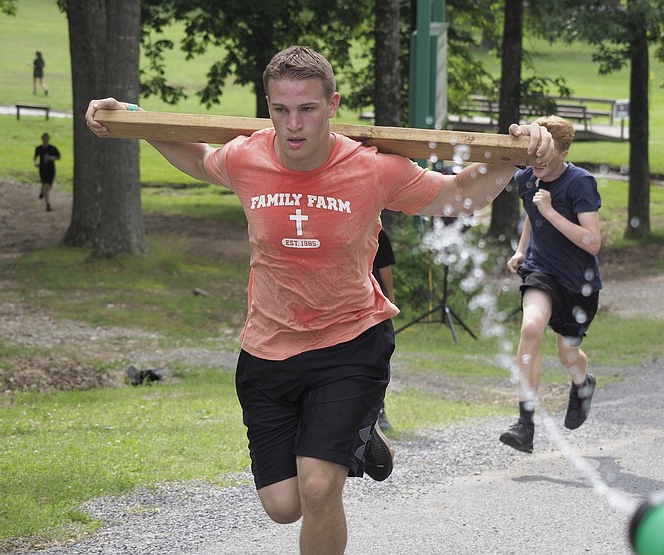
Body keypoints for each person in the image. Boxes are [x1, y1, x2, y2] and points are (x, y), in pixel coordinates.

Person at [84, 46, 553, 555]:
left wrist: (512, 154)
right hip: (268, 349)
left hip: (350, 343)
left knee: (318, 487)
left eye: (307, 108)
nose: (293, 124)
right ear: (268, 107)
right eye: (280, 109)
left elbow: (455, 194)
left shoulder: (373, 170)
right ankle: (356, 437)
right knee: (284, 506)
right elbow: (197, 158)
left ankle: (346, 430)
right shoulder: (247, 158)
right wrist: (134, 118)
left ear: (332, 105)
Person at [500, 115, 601, 454]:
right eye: (535, 151)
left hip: (578, 283)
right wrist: (521, 249)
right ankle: (524, 424)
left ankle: (582, 383)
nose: (538, 158)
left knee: (568, 353)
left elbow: (593, 241)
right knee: (530, 329)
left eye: (546, 151)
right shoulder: (527, 178)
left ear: (565, 150)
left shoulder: (580, 183)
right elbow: (532, 211)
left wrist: (552, 212)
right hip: (541, 271)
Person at [372, 227, 396, 429]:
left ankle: (379, 410)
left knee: (378, 357)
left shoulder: (378, 231)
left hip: (374, 302)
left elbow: (384, 267)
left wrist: (390, 297)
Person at [33, 132, 60, 212]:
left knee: (48, 187)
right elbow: (35, 158)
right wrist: (35, 164)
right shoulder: (39, 148)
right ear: (42, 139)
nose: (46, 140)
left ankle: (42, 190)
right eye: (44, 139)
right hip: (42, 169)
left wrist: (51, 158)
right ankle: (48, 204)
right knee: (46, 186)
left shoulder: (52, 148)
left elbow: (58, 157)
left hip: (51, 170)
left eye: (47, 139)